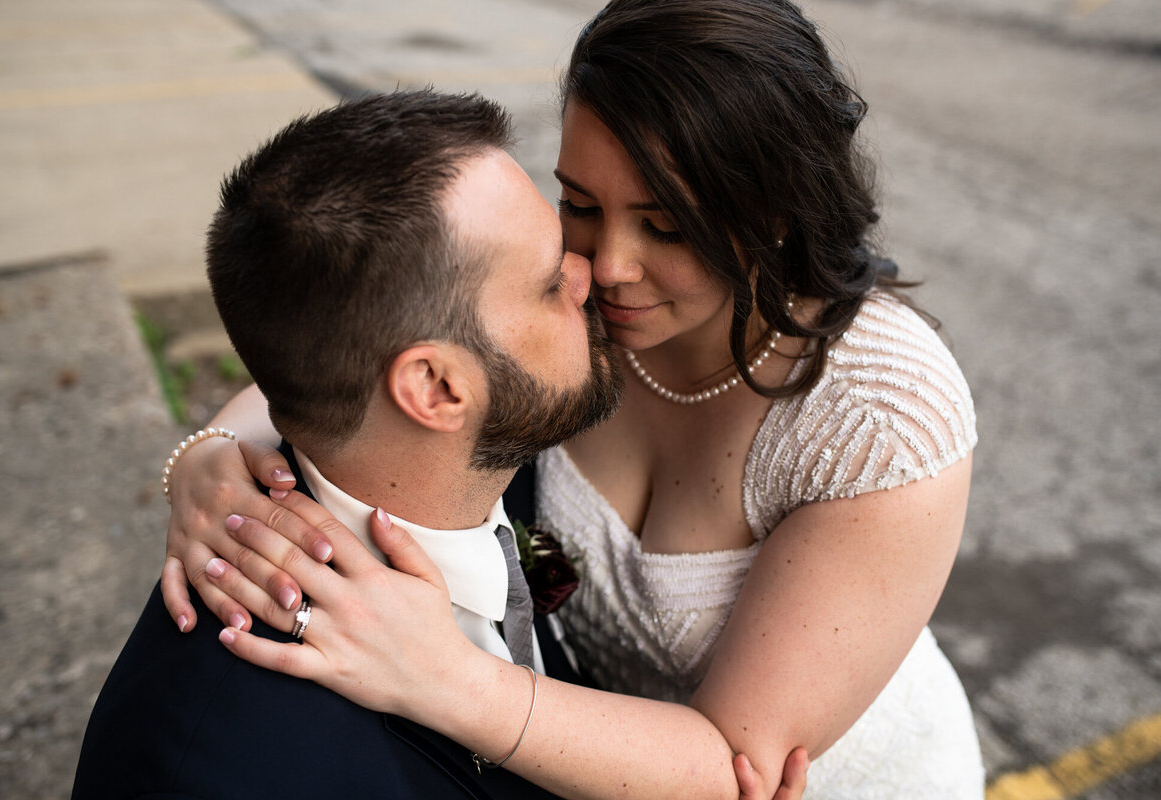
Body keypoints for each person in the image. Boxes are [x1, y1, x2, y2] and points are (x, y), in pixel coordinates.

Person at [160, 1, 982, 797]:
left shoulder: (881, 416)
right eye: (581, 205)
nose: (607, 265)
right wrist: (210, 459)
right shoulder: (569, 303)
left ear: (772, 216)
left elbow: (734, 766)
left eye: (666, 227)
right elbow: (367, 355)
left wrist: (446, 680)